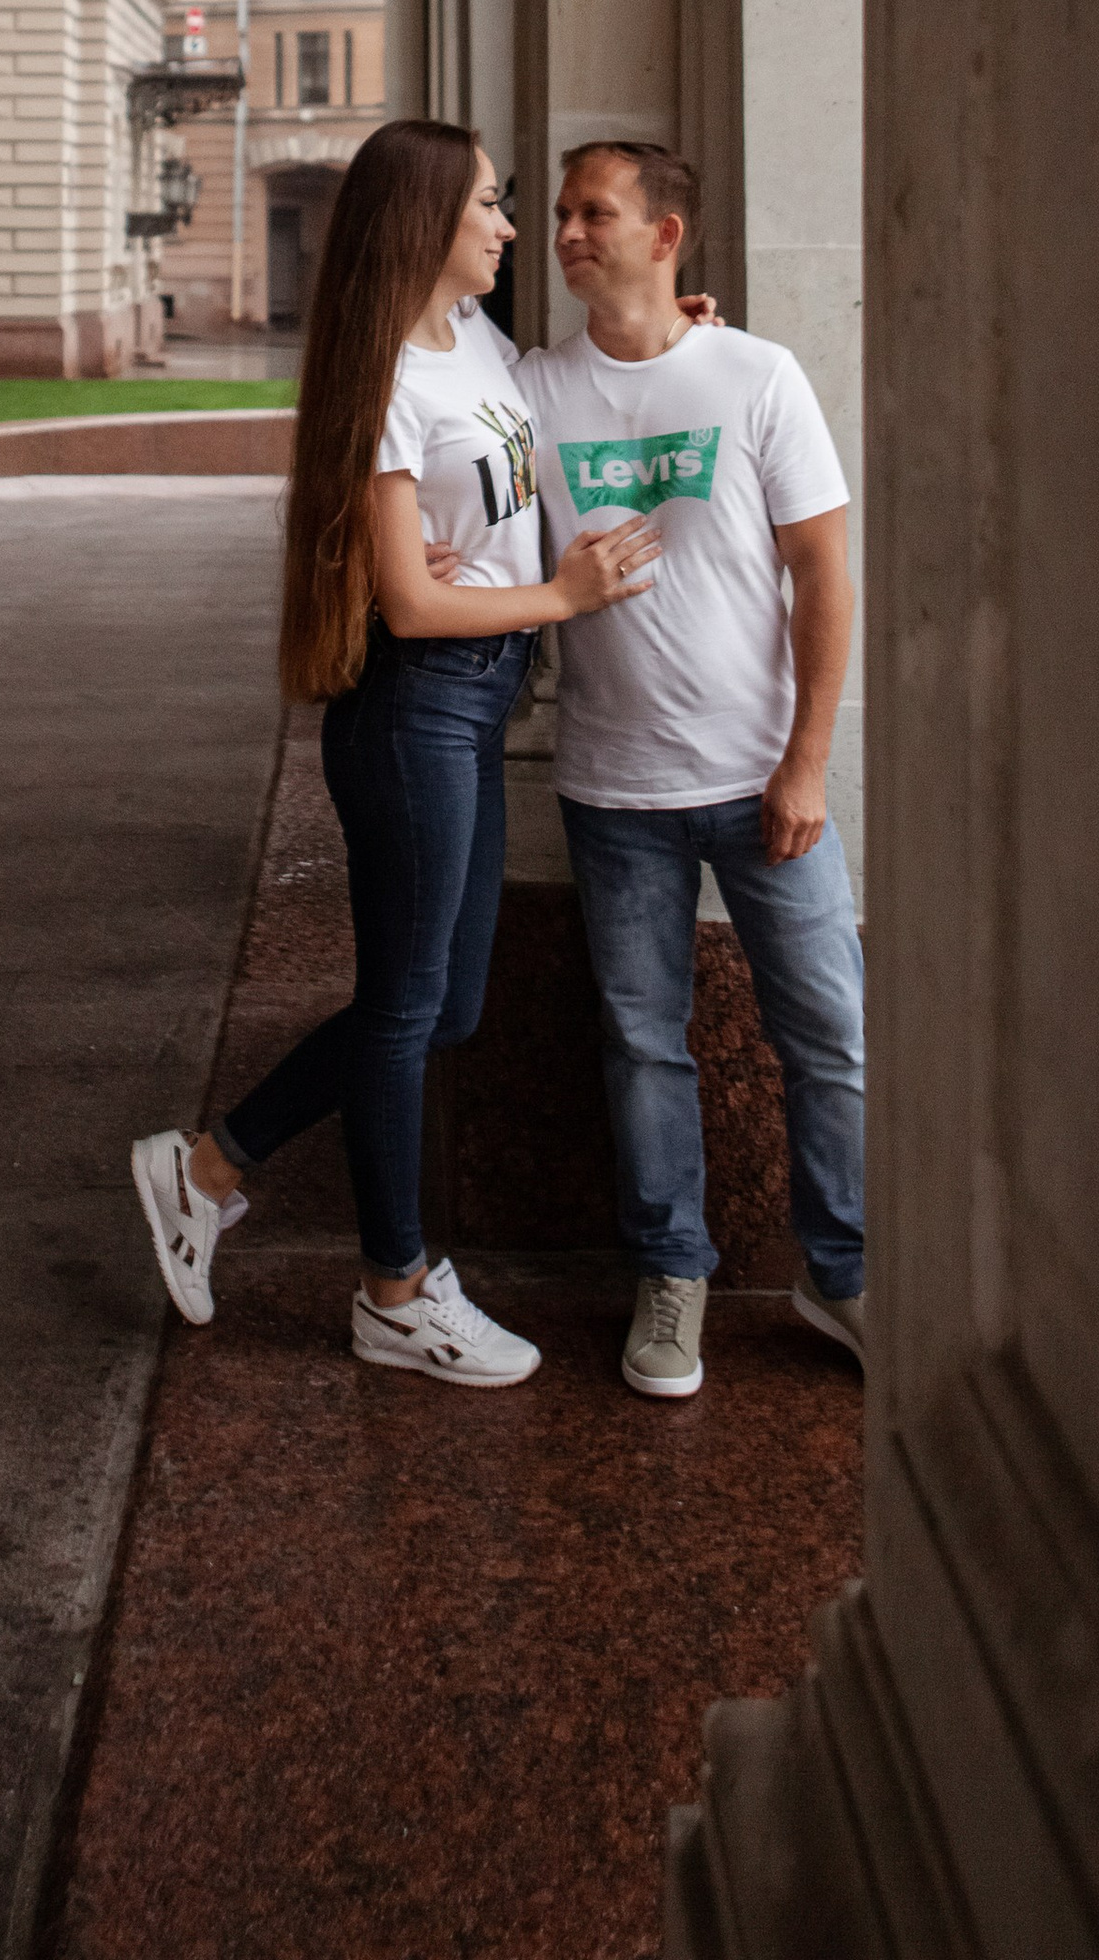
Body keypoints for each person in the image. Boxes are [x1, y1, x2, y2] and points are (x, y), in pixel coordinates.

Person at [130, 118, 662, 1387]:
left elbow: (527, 440)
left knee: (445, 1005)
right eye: (489, 204)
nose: (511, 226)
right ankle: (394, 1291)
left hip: (472, 707)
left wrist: (663, 324)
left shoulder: (475, 341)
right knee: (407, 1008)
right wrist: (564, 600)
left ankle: (205, 1168)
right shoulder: (385, 377)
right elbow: (412, 607)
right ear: (427, 221)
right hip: (419, 705)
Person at [514, 140, 865, 1403]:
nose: (563, 233)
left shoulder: (757, 375)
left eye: (590, 213)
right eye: (555, 214)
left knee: (828, 1036)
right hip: (614, 790)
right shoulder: (529, 388)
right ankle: (673, 1277)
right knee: (642, 1045)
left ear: (666, 238)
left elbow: (824, 576)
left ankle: (848, 1276)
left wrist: (807, 762)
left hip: (765, 780)